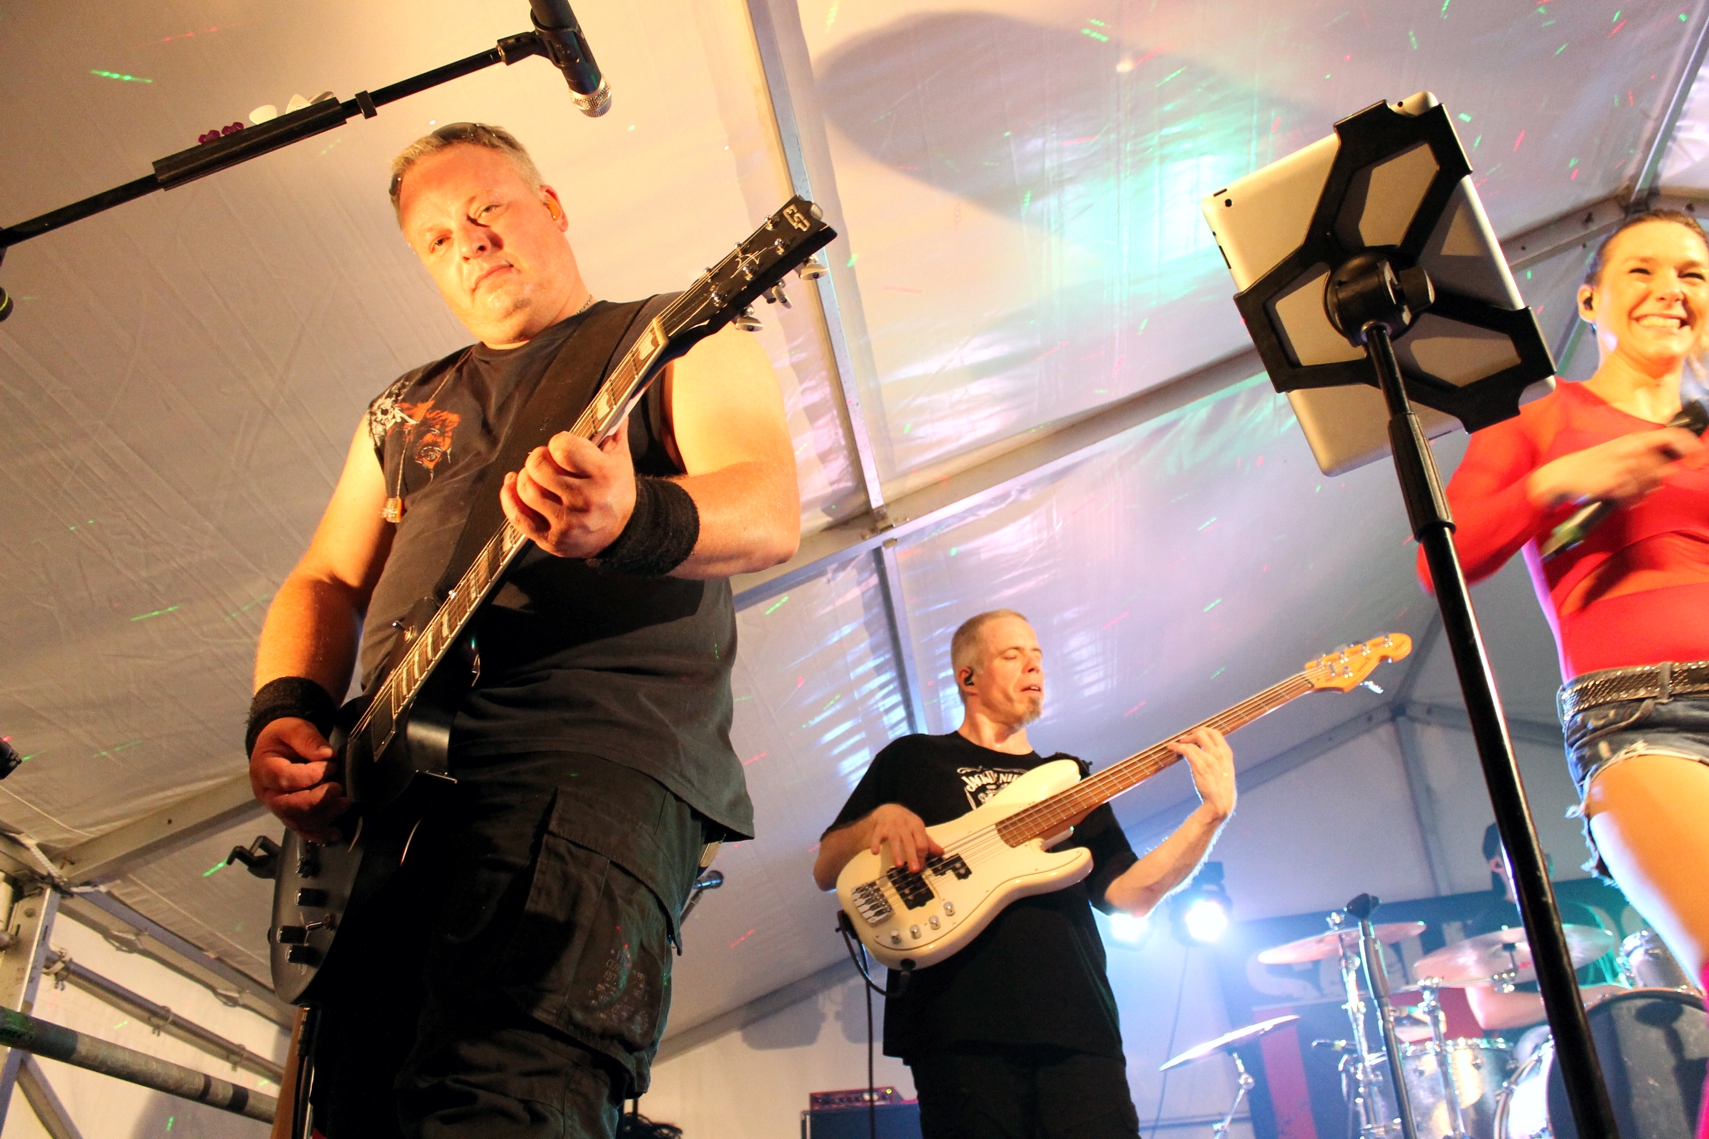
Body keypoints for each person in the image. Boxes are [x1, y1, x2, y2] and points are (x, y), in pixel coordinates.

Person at [244, 123, 799, 1138]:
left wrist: (631, 516)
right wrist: (286, 708)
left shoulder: (675, 337)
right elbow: (325, 575)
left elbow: (767, 509)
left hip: (588, 761)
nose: (469, 242)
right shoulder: (404, 409)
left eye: (487, 209)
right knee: (361, 1109)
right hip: (390, 801)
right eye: (437, 238)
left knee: (508, 1093)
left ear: (551, 206)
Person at [1418, 209, 1709, 1121]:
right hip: (1645, 720)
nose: (1671, 290)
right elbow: (1441, 559)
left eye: (1693, 275)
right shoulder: (1540, 427)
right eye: (1642, 271)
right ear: (1589, 302)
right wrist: (1562, 481)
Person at [812, 610, 1237, 1139]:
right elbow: (826, 866)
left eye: (1037, 656)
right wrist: (879, 819)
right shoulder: (914, 758)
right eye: (1013, 655)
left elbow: (1130, 895)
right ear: (968, 677)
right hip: (958, 1028)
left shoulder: (1068, 777)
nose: (1034, 666)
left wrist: (1210, 816)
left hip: (1078, 1026)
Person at [1462, 823, 1623, 1040]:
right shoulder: (1486, 926)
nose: (1539, 853)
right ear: (1497, 864)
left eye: (1539, 844)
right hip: (1538, 1037)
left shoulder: (1581, 914)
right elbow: (1489, 1011)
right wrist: (1586, 996)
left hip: (1602, 1027)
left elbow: (1614, 980)